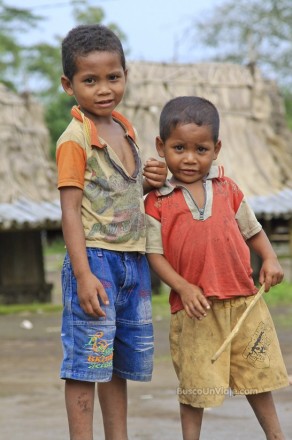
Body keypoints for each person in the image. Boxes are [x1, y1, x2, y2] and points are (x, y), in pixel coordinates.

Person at [144, 96, 289, 440]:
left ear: (216, 148)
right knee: (197, 384)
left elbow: (252, 230)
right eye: (179, 148)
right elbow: (154, 255)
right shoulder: (157, 201)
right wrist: (183, 287)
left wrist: (269, 258)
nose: (190, 158)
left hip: (242, 301)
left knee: (257, 376)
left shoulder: (228, 190)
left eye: (201, 149)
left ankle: (276, 435)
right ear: (161, 147)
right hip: (196, 308)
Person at [56, 24, 167, 440]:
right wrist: (83, 274)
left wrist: (150, 180)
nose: (104, 89)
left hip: (132, 261)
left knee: (117, 363)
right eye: (90, 80)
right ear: (69, 85)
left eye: (113, 77)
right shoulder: (74, 139)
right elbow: (70, 211)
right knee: (87, 363)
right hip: (96, 260)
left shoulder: (125, 129)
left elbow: (124, 191)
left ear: (125, 74)